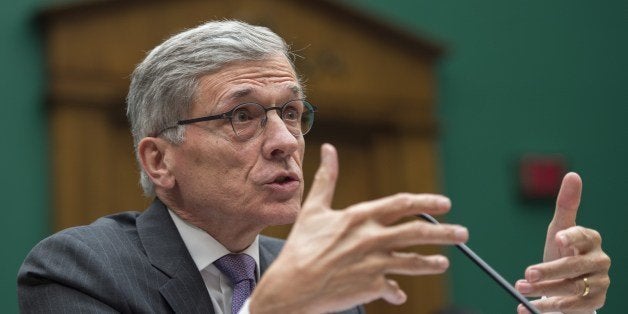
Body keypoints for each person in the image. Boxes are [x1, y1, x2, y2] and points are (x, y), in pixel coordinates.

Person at [18, 20, 610, 314]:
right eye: (242, 116)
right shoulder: (77, 271)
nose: (284, 141)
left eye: (293, 113)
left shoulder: (319, 284)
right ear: (159, 159)